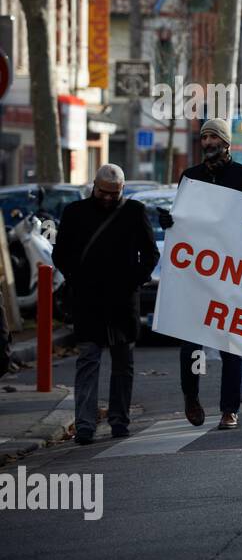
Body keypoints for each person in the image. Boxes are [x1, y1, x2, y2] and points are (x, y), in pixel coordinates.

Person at [158, 117, 242, 430]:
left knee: (232, 342)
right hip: (197, 274)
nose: (207, 143)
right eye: (204, 139)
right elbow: (184, 218)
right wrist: (171, 223)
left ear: (226, 142)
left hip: (231, 273)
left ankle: (230, 409)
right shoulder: (190, 177)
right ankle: (191, 395)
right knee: (191, 343)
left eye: (213, 138)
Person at [52, 164, 159, 444]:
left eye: (115, 193)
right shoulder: (75, 213)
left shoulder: (134, 212)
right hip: (88, 300)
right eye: (103, 192)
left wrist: (135, 280)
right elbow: (60, 253)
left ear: (123, 189)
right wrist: (78, 278)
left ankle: (119, 420)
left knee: (123, 363)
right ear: (93, 187)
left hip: (123, 301)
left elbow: (150, 253)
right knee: (88, 360)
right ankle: (85, 425)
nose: (109, 198)